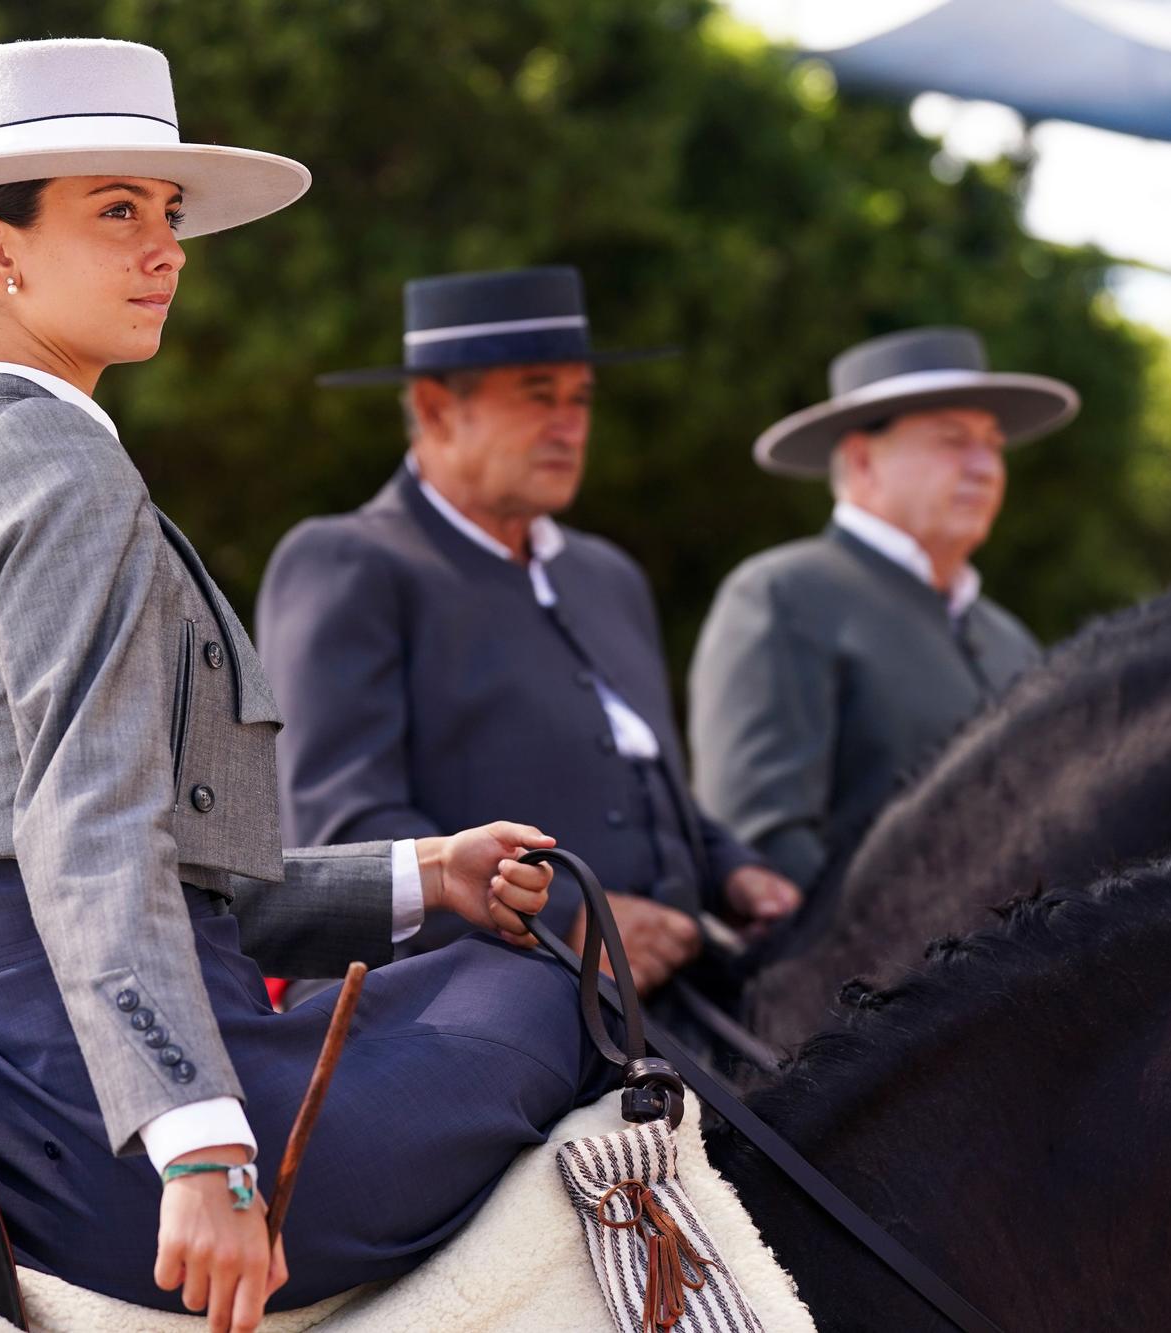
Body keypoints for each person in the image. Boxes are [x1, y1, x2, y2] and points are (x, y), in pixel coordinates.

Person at [0, 39, 611, 1332]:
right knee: (543, 997)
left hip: (39, 1087)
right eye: (118, 212)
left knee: (469, 972)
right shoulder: (61, 473)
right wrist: (204, 1151)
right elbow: (90, 835)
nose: (167, 248)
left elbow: (155, 880)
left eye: (167, 216)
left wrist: (425, 875)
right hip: (110, 1131)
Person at [255, 267, 800, 997]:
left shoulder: (607, 574)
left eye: (580, 400)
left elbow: (639, 776)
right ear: (437, 409)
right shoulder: (348, 562)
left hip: (676, 1000)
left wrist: (730, 866)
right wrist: (571, 918)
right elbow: (343, 824)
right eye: (540, 397)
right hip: (458, 1005)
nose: (569, 425)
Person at [689, 327, 1077, 898]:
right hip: (865, 981)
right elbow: (760, 839)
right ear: (862, 460)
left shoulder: (1007, 636)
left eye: (992, 444)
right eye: (952, 440)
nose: (984, 466)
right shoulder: (784, 595)